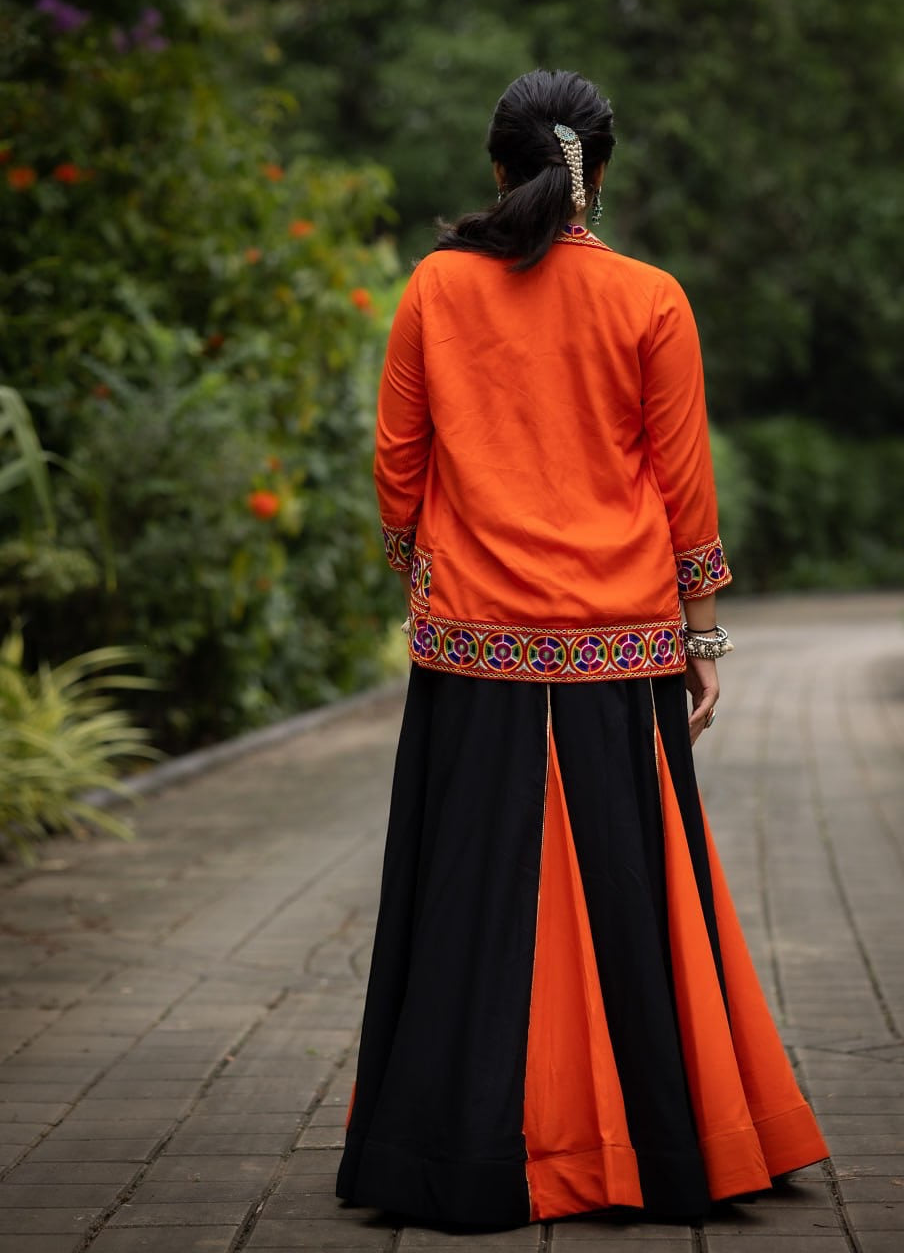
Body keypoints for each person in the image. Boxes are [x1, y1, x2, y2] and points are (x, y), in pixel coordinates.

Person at [336, 68, 827, 1229]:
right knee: (633, 892)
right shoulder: (652, 298)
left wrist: (438, 580)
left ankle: (446, 1146)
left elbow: (398, 470)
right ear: (594, 175)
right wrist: (702, 630)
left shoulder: (435, 288)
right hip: (620, 641)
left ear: (498, 170)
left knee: (464, 894)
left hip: (473, 650)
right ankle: (663, 1143)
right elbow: (681, 481)